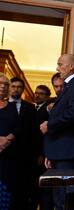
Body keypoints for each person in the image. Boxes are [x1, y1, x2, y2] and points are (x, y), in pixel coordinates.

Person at [40, 54, 74, 210]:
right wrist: (51, 153)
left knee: (67, 201)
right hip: (60, 153)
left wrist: (50, 124)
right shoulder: (68, 87)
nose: (57, 68)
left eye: (60, 64)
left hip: (67, 154)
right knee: (60, 199)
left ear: (71, 66)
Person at [9, 77, 37, 209]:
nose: (16, 89)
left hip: (25, 155)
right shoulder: (2, 105)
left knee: (22, 188)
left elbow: (34, 132)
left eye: (19, 87)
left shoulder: (30, 107)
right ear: (9, 87)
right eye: (13, 86)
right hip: (6, 152)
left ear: (23, 89)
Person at [0, 73, 20, 209]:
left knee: (6, 197)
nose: (2, 87)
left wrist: (7, 139)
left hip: (8, 157)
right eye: (0, 83)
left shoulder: (14, 107)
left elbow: (20, 127)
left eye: (6, 84)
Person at [34, 85, 54, 210]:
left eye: (41, 93)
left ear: (47, 96)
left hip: (43, 154)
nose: (37, 95)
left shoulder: (48, 109)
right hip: (31, 154)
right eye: (36, 93)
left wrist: (42, 154)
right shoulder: (31, 108)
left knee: (44, 189)